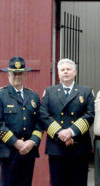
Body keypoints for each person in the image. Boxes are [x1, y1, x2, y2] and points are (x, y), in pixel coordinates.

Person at [39, 58, 95, 186]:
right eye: (62, 70)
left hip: (79, 146)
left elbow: (90, 115)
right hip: (56, 147)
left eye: (68, 69)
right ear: (58, 73)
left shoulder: (86, 92)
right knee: (58, 182)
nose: (65, 72)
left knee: (78, 182)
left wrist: (71, 132)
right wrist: (61, 134)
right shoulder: (49, 91)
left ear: (75, 72)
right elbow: (43, 115)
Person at [0, 57, 43, 186]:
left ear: (24, 74)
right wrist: (16, 142)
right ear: (8, 74)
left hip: (29, 151)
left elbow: (40, 123)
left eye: (20, 73)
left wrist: (32, 142)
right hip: (9, 151)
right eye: (14, 73)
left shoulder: (33, 96)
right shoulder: (0, 95)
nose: (17, 76)